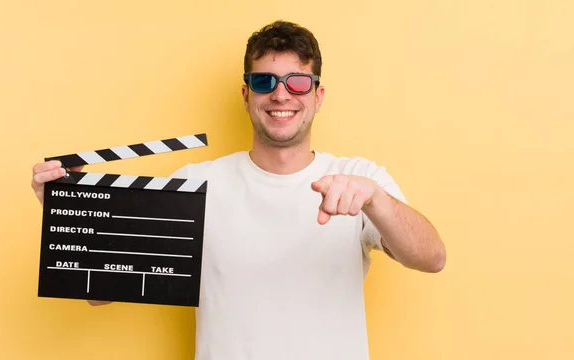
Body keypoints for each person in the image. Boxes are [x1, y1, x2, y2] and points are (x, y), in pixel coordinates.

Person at [31, 20, 445, 360]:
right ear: (246, 94)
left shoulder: (358, 177)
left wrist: (376, 200)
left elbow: (432, 258)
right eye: (265, 81)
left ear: (318, 97)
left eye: (298, 82)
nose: (281, 93)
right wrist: (70, 209)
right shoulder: (196, 185)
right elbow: (100, 295)